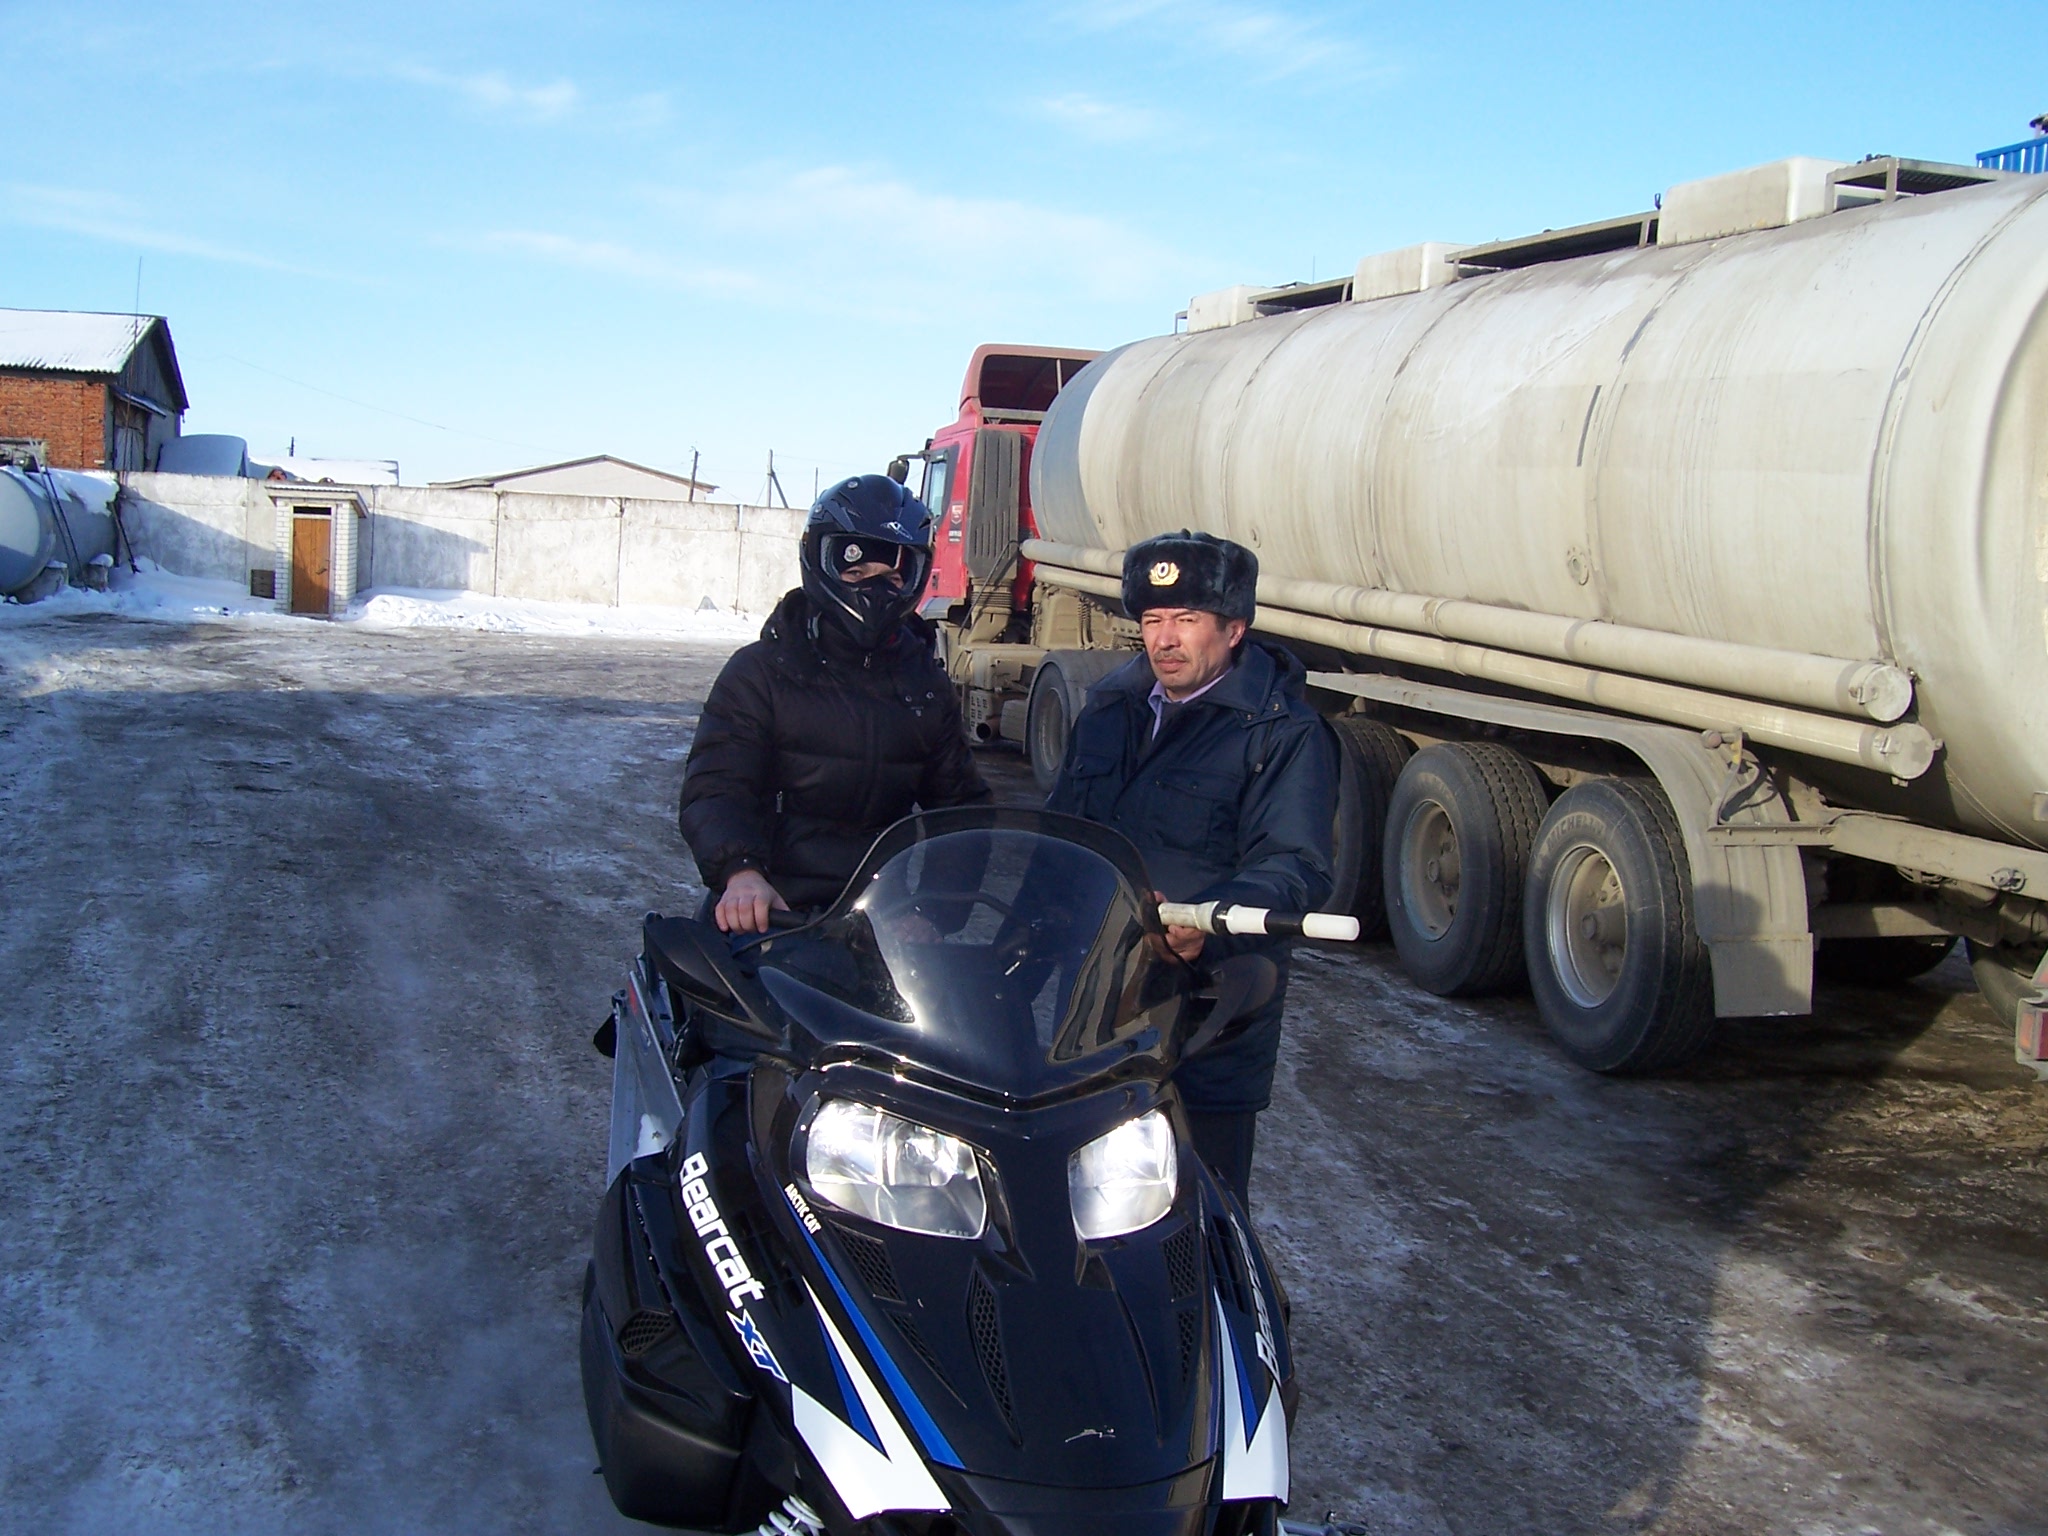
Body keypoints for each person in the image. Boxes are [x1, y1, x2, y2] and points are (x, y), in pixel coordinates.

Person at [1046, 529, 1336, 1206]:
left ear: (1234, 628)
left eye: (1186, 620)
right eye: (1151, 620)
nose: (1164, 640)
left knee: (1198, 1214)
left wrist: (1210, 918)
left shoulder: (1282, 732)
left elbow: (1295, 865)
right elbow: (1061, 836)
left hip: (1211, 1015)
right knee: (1083, 1204)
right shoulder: (1110, 710)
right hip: (1097, 1008)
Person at [678, 474, 991, 933]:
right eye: (857, 572)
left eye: (892, 577)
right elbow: (717, 786)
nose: (874, 590)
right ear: (821, 564)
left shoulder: (923, 686)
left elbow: (963, 814)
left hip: (878, 923)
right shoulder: (761, 673)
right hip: (770, 912)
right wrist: (741, 872)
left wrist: (933, 914)